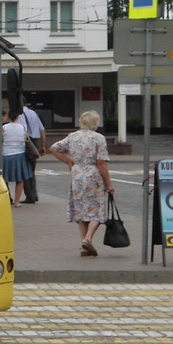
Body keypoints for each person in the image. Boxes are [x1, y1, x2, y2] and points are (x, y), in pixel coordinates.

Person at [48, 110, 114, 257]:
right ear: (95, 123)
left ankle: (84, 246)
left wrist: (68, 161)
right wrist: (109, 183)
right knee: (97, 210)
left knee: (81, 210)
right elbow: (101, 162)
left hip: (77, 175)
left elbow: (54, 148)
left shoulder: (73, 136)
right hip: (93, 175)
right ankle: (88, 239)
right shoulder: (99, 138)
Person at [0, 108, 33, 207]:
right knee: (20, 179)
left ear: (9, 117)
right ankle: (17, 201)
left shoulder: (4, 128)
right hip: (20, 154)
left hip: (6, 154)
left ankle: (6, 199)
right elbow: (26, 139)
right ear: (18, 117)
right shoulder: (23, 127)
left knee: (5, 179)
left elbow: (1, 140)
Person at [17, 101, 47, 204]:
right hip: (35, 141)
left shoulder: (20, 114)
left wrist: (25, 143)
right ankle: (34, 194)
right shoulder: (33, 113)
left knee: (25, 170)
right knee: (32, 170)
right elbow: (42, 130)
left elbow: (23, 130)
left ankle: (30, 196)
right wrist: (42, 146)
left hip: (27, 142)